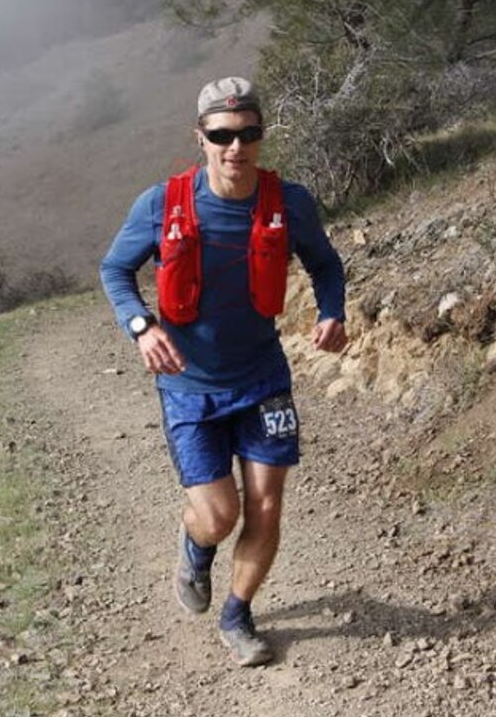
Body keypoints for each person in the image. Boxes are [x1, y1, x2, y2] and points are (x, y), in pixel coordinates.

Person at [100, 76, 347, 667]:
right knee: (219, 515)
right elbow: (115, 271)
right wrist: (142, 327)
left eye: (249, 134)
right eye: (222, 135)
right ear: (202, 137)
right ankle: (196, 546)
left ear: (262, 135)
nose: (236, 147)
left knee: (266, 505)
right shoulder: (162, 204)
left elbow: (326, 265)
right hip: (190, 387)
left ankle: (238, 614)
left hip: (263, 379)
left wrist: (333, 312)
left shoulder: (289, 203)